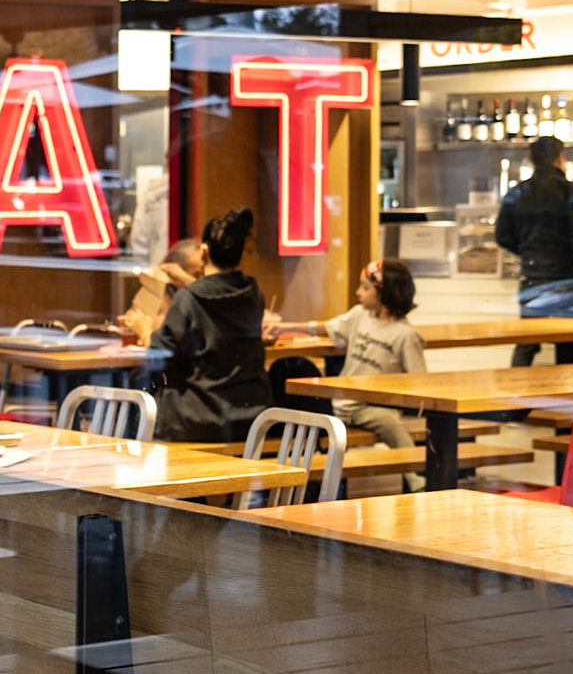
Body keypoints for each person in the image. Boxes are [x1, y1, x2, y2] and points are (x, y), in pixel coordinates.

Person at [267, 259, 427, 491]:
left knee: (392, 425)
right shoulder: (359, 316)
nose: (358, 292)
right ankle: (307, 484)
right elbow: (327, 327)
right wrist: (286, 328)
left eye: (365, 287)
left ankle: (418, 480)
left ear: (385, 292)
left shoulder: (406, 335)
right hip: (340, 403)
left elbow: (419, 380)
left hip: (372, 407)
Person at [149, 208, 270, 443]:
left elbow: (159, 357)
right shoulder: (253, 292)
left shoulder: (188, 299)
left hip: (198, 419)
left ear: (204, 251)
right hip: (251, 417)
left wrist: (148, 330)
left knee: (138, 404)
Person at [496, 135, 573, 366]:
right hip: (567, 278)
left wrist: (527, 251)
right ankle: (569, 387)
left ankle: (515, 386)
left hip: (532, 277)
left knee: (527, 341)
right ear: (560, 158)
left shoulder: (517, 192)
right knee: (569, 341)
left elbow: (502, 235)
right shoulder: (569, 191)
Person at [120, 237, 205, 343]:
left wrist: (144, 331)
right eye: (198, 275)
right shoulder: (162, 293)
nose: (204, 280)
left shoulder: (202, 307)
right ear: (175, 279)